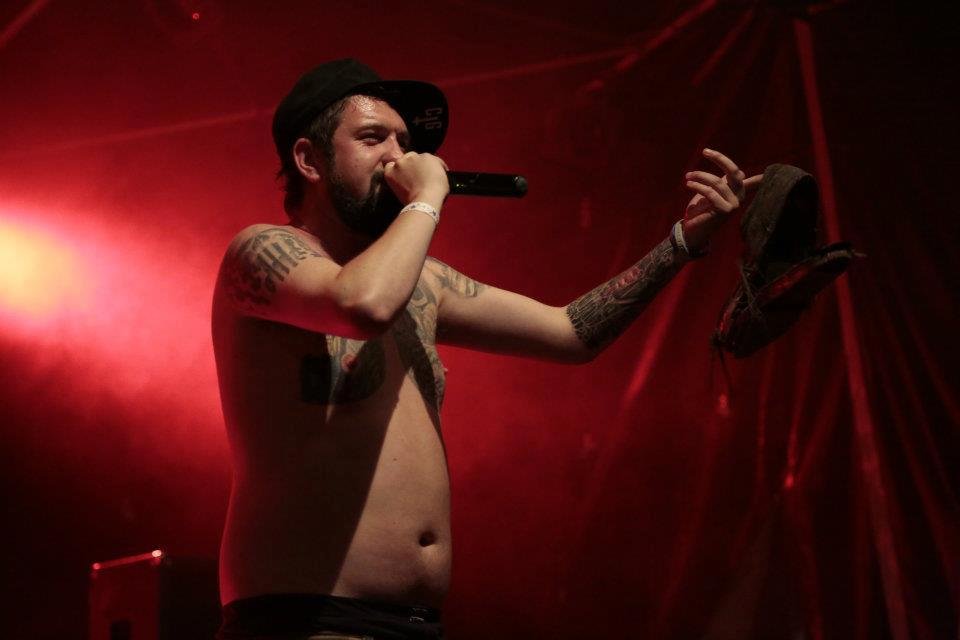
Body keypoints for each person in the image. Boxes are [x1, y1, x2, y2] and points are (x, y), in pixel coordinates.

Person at [212, 58, 760, 640]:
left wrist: (683, 241)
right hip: (305, 620)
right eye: (373, 138)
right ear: (309, 160)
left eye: (406, 142)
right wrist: (427, 198)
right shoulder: (262, 251)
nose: (399, 158)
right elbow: (361, 306)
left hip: (411, 624)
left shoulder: (423, 282)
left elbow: (570, 333)